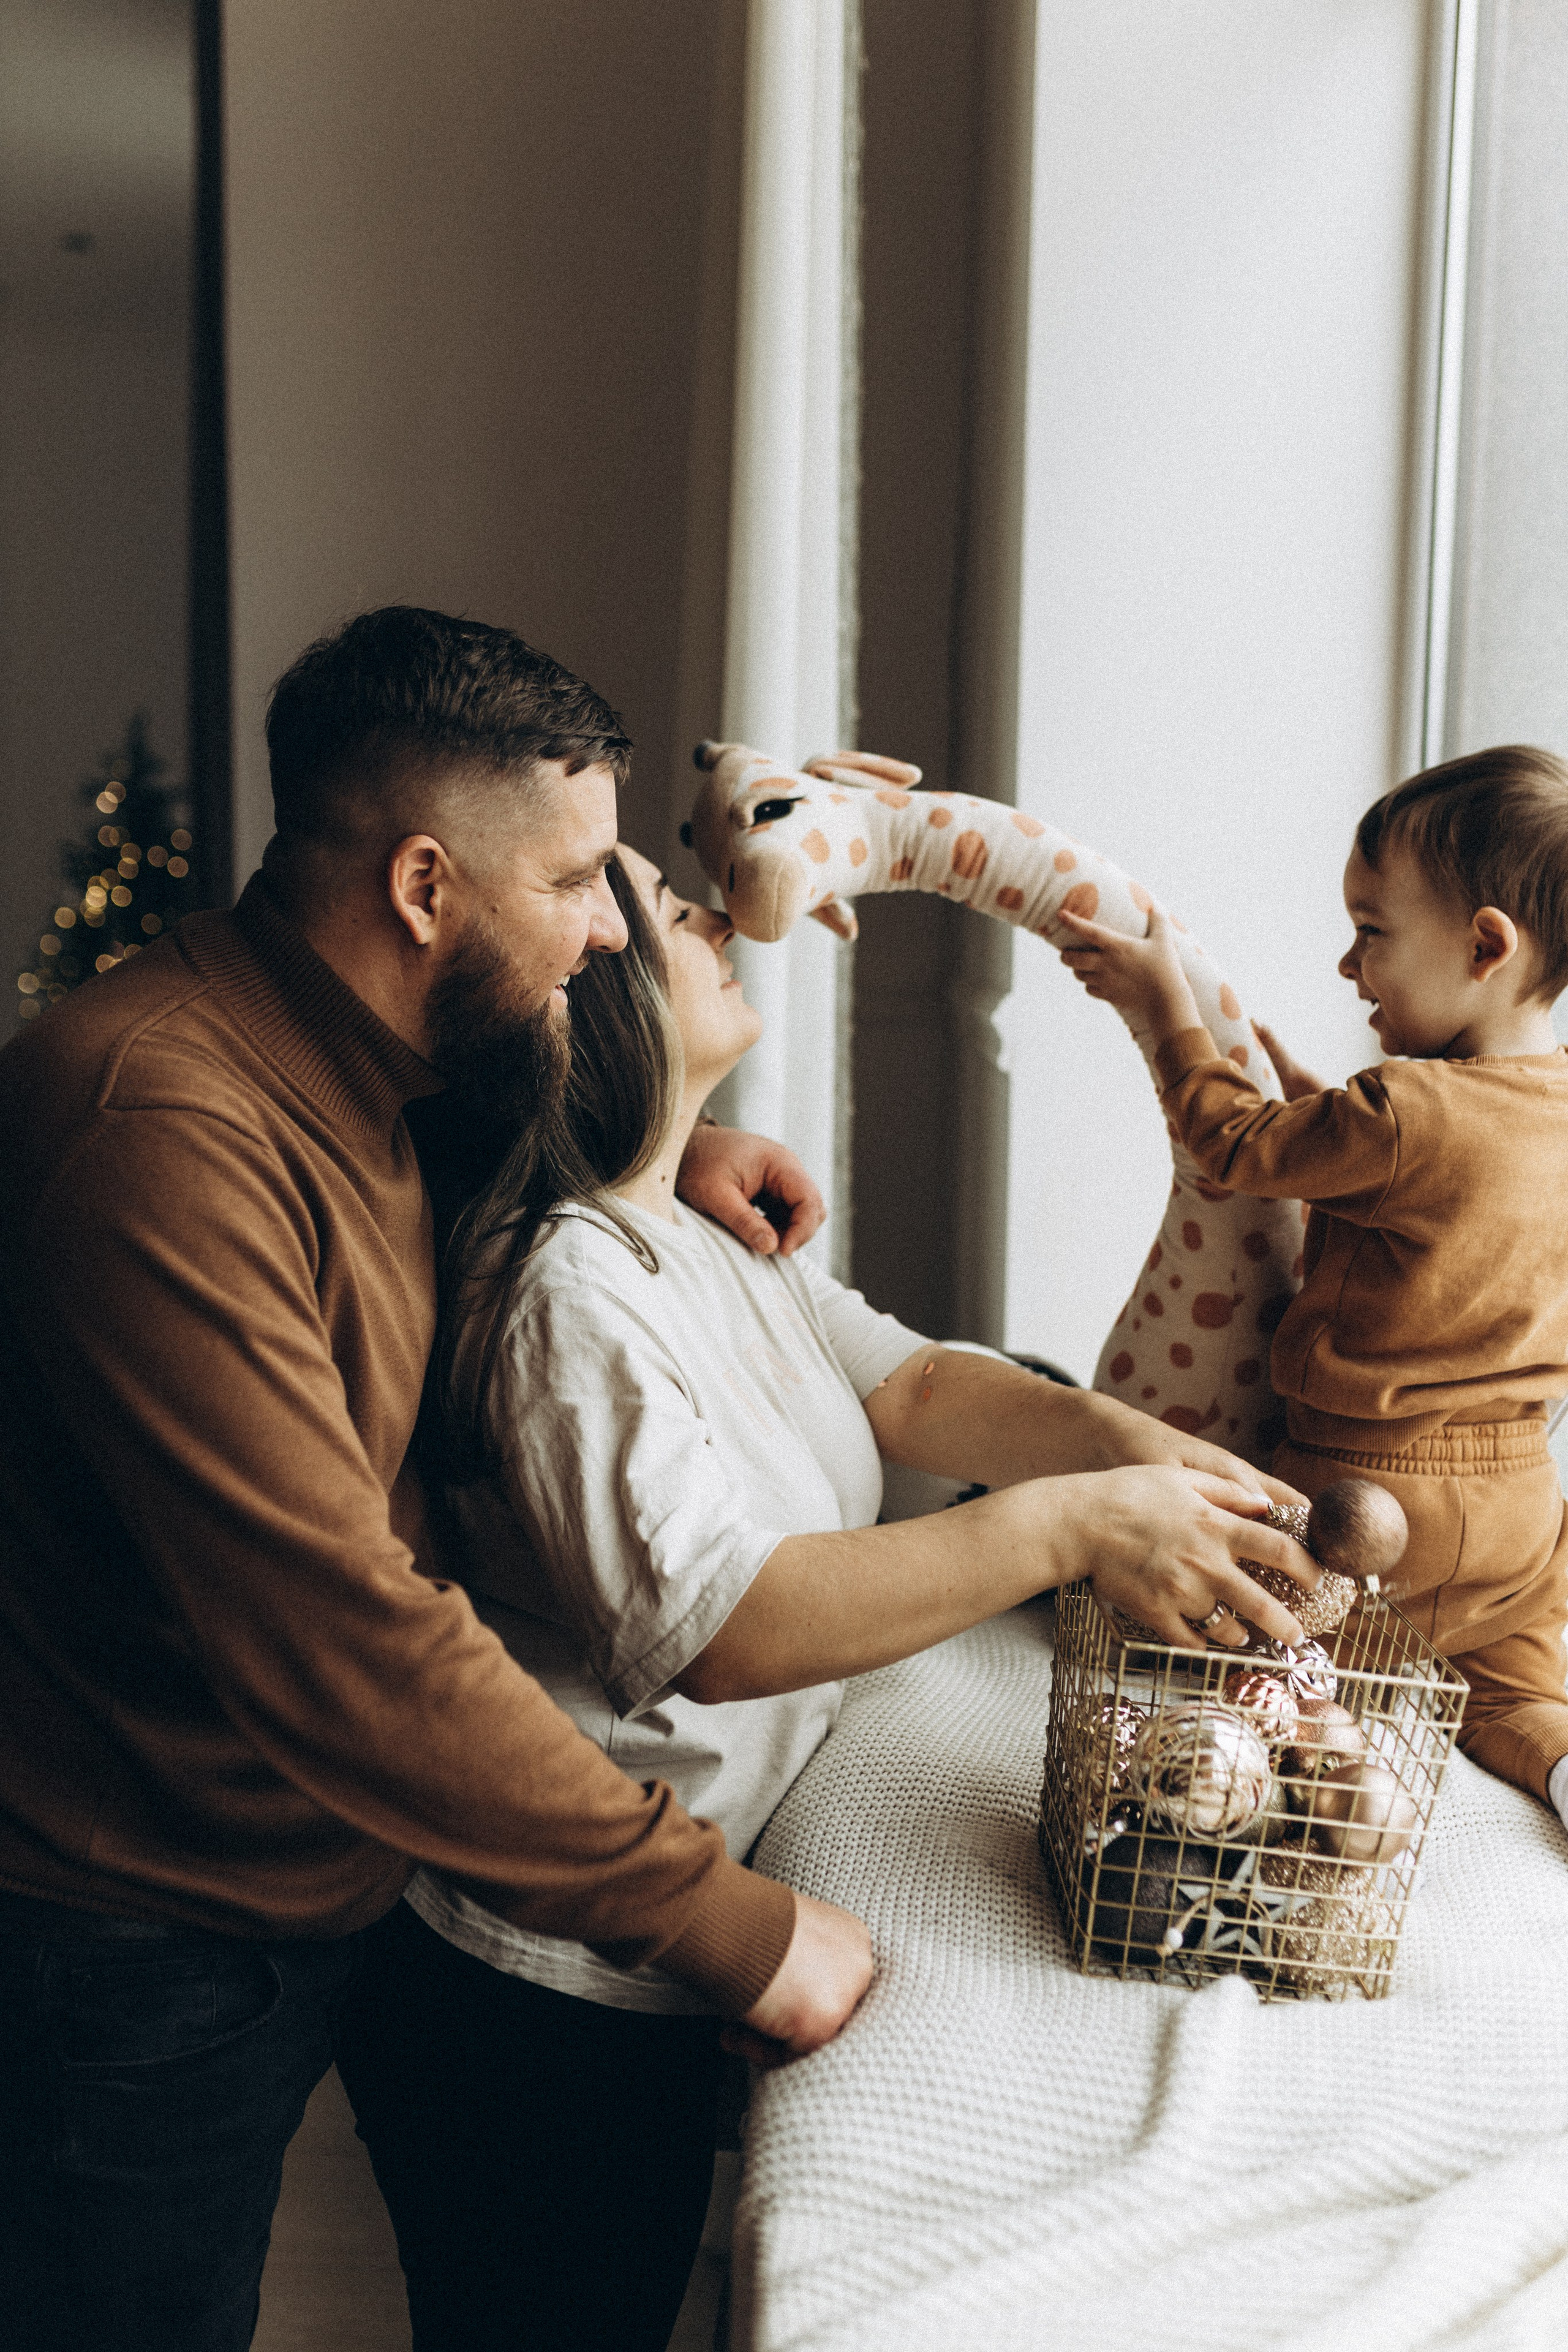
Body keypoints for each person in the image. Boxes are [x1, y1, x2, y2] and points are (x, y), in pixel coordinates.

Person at [0, 607, 876, 2352]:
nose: (609, 931)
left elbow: (427, 1163)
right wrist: (730, 1929)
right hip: (130, 1935)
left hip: (336, 1872)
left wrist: (663, 1152)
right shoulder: (153, 1131)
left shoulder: (371, 1052)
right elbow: (340, 1630)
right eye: (573, 883)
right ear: (422, 887)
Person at [337, 841, 1319, 2351]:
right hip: (541, 1994)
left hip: (663, 1946)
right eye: (668, 913)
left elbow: (911, 1386)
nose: (713, 916)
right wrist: (1072, 1526)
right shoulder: (561, 1297)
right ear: (590, 1009)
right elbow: (728, 1627)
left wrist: (1138, 1451)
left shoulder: (696, 1223)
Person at [1060, 742, 1568, 1828]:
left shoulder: (1406, 1112)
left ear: (1486, 946)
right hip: (1521, 1511)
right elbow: (1430, 1196)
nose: (1349, 965)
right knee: (1514, 1693)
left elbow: (1235, 1144)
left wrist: (1164, 1004)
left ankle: (1311, 1775)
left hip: (1359, 1490)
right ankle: (1558, 1767)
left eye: (1371, 932)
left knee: (1254, 1645)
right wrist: (1312, 1099)